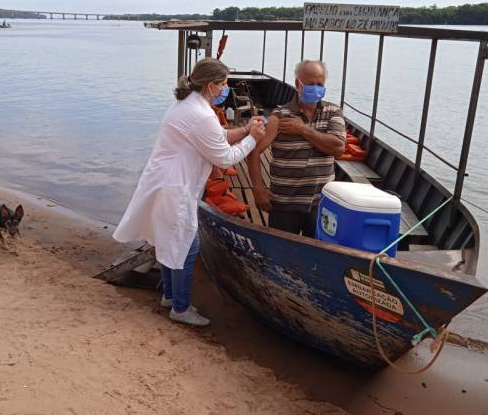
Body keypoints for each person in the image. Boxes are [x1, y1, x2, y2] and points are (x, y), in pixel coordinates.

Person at [113, 58, 265, 327]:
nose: (226, 88)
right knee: (186, 247)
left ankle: (170, 297)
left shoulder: (188, 105)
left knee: (172, 242)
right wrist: (253, 138)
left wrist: (244, 130)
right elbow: (226, 159)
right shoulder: (201, 114)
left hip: (167, 182)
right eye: (224, 84)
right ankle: (181, 309)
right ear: (210, 86)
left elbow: (217, 136)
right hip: (175, 187)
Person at [247, 60, 346, 237]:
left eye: (319, 84)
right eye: (310, 84)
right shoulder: (279, 116)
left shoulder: (333, 112)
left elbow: (338, 148)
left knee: (318, 256)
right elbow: (253, 149)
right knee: (278, 254)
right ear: (297, 84)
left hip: (321, 204)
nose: (315, 88)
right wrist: (257, 188)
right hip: (284, 204)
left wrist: (303, 129)